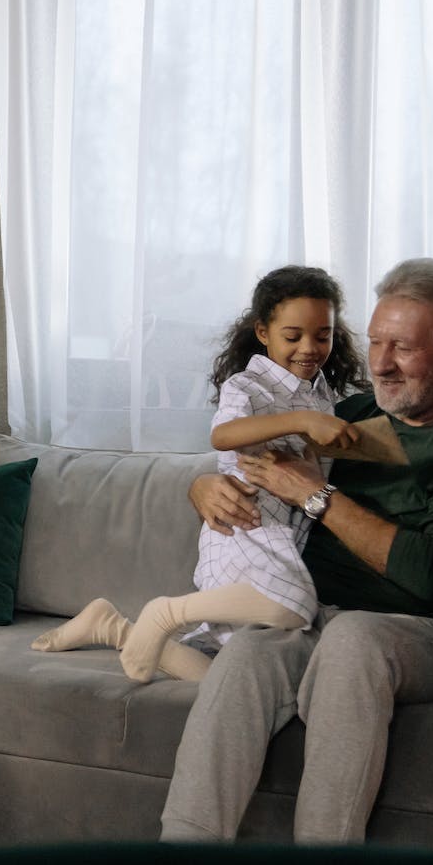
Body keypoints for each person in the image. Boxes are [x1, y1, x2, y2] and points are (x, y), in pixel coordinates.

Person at [160, 258, 433, 843]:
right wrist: (202, 488)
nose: (379, 363)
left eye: (402, 347)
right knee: (249, 654)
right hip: (320, 618)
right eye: (375, 341)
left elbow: (428, 572)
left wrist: (316, 494)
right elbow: (246, 455)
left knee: (354, 639)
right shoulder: (345, 415)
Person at [30, 266, 369, 681]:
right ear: (263, 332)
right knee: (296, 607)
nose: (310, 348)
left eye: (323, 335)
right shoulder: (248, 386)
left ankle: (114, 628)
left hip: (285, 534)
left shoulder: (323, 397)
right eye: (293, 336)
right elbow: (224, 435)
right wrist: (300, 421)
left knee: (229, 675)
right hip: (243, 524)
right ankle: (166, 611)